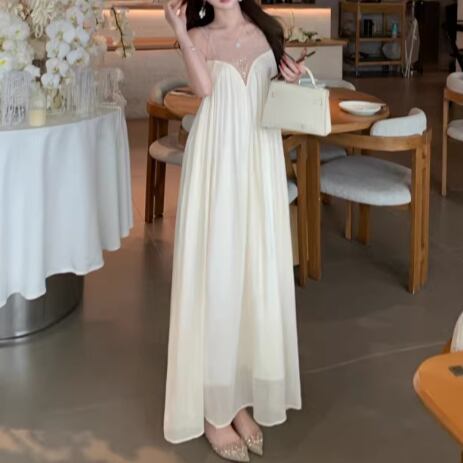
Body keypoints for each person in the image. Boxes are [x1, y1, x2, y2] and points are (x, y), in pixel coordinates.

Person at [163, 0, 304, 459]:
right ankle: (214, 411)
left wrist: (291, 79)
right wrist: (179, 30)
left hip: (260, 161)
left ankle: (238, 397)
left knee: (254, 277)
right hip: (217, 165)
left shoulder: (267, 32)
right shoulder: (199, 37)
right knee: (219, 277)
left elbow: (273, 96)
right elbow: (203, 88)